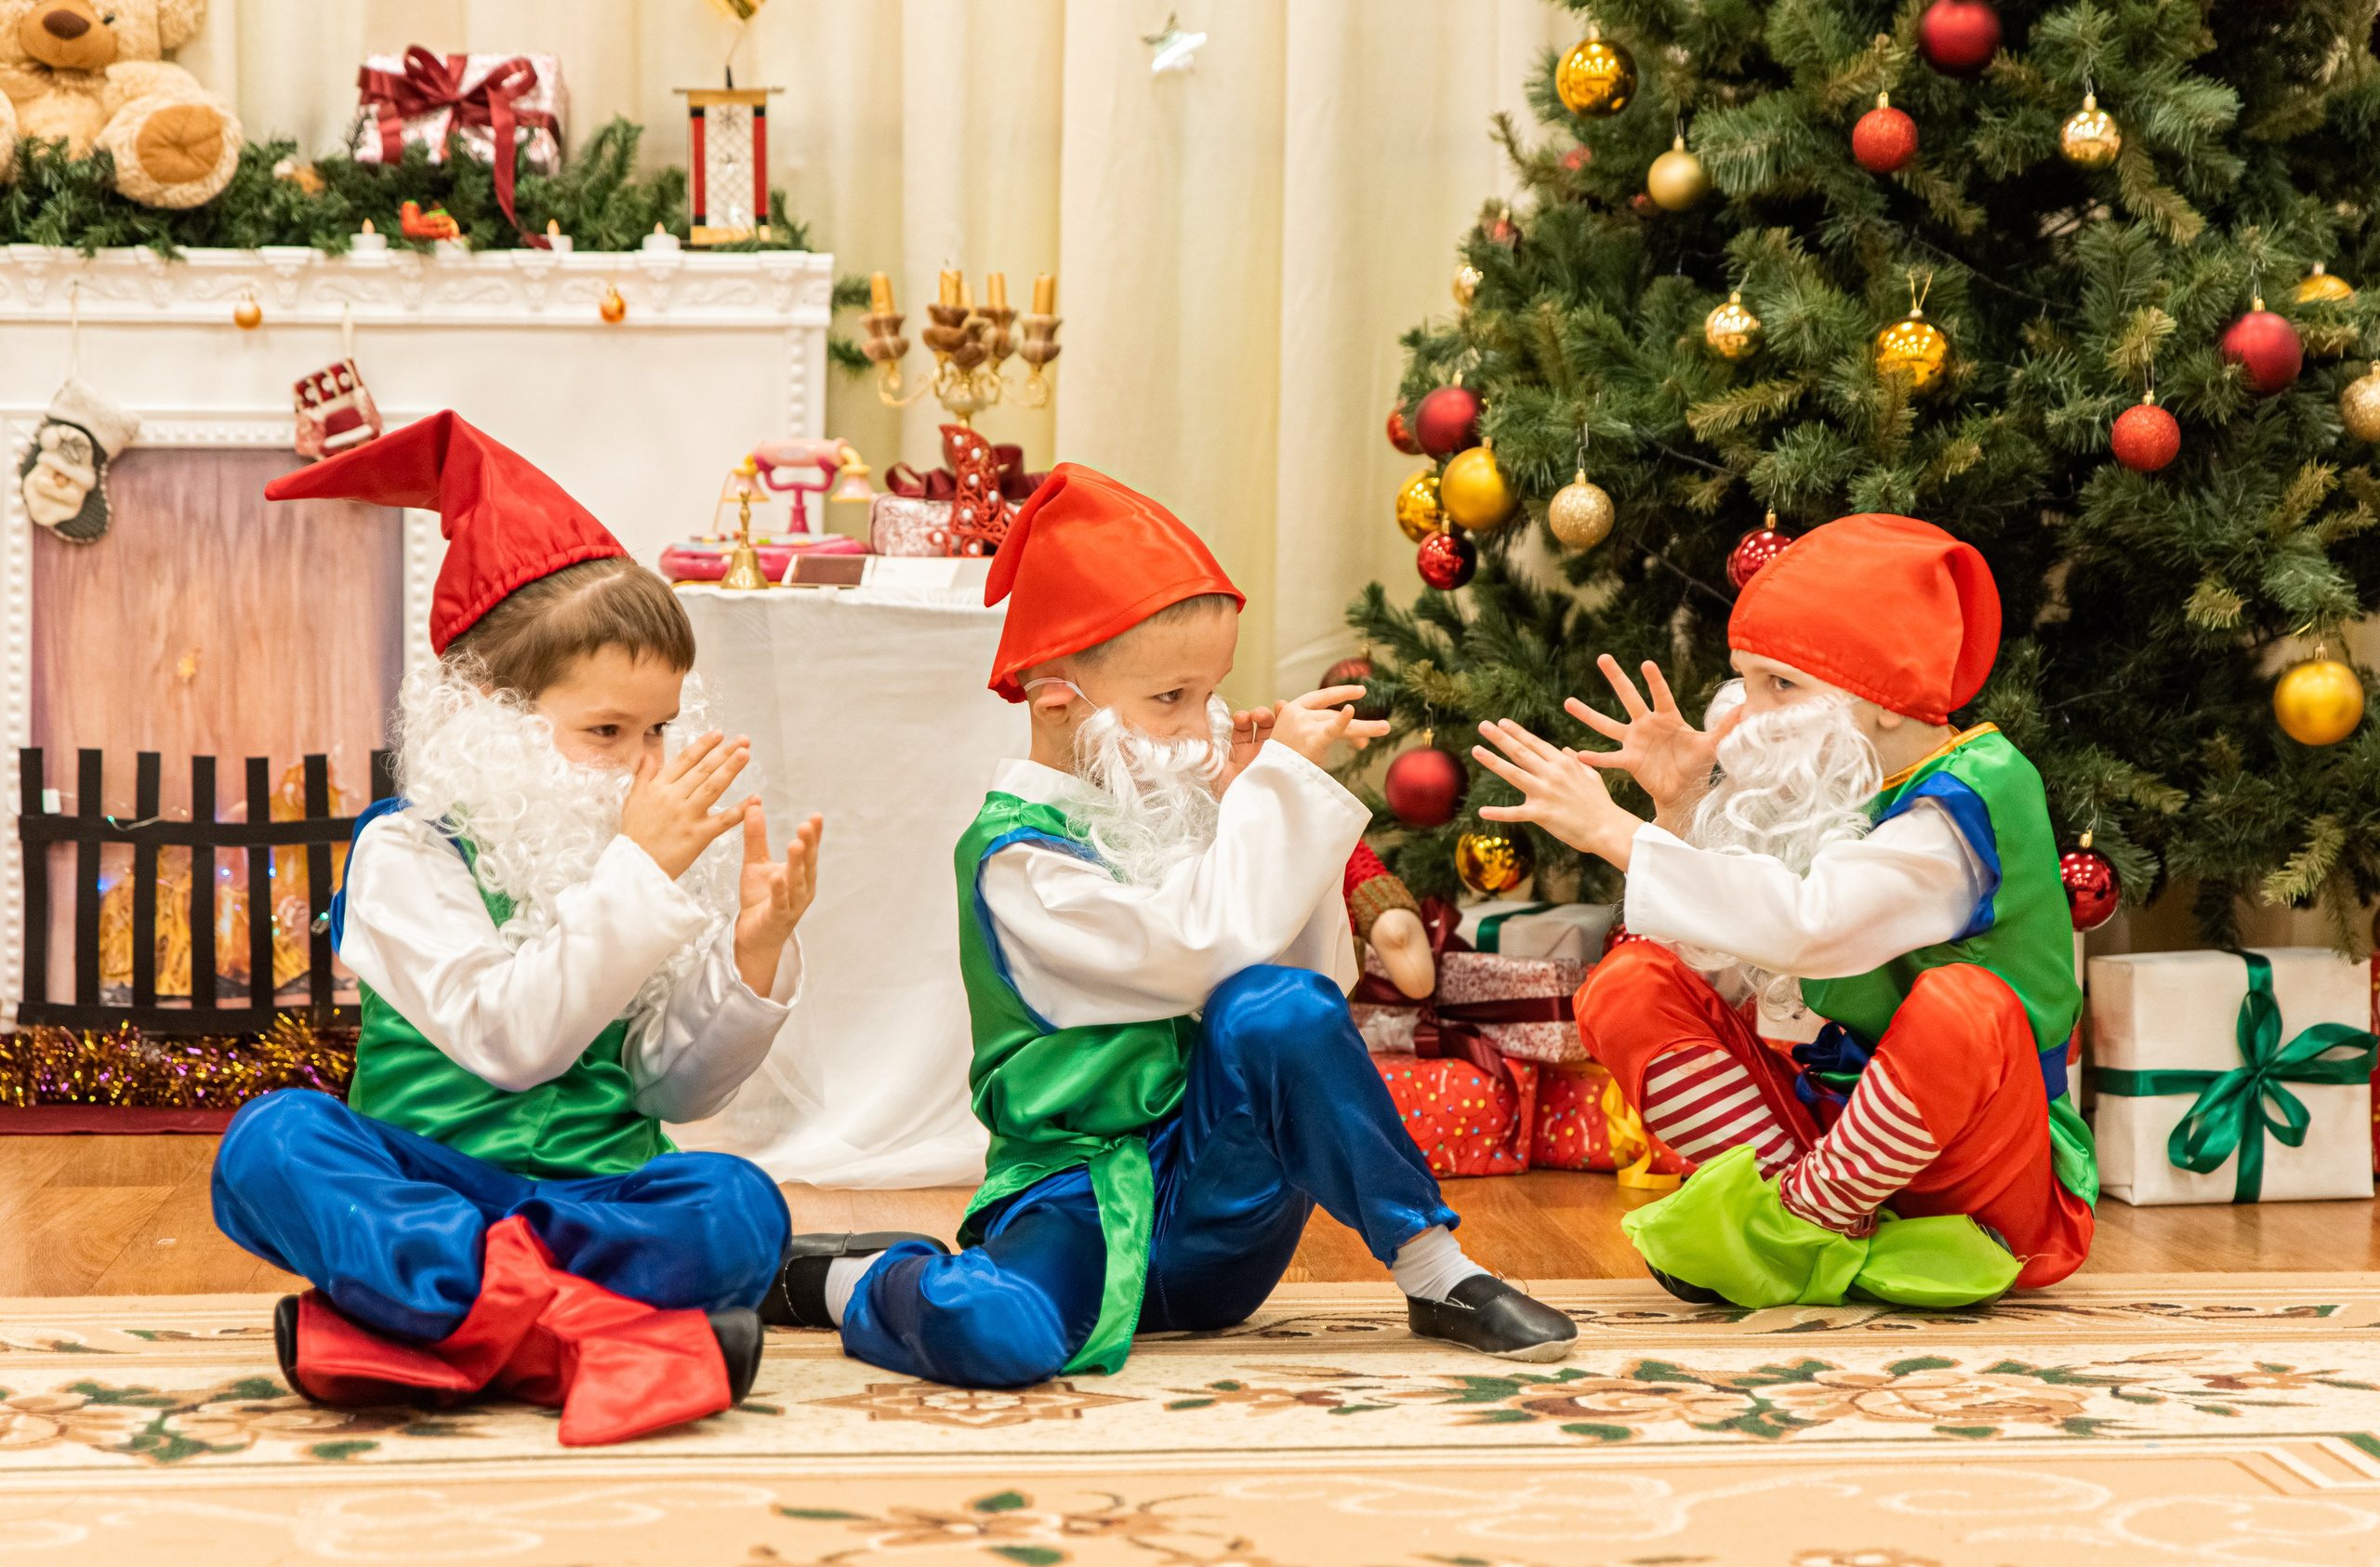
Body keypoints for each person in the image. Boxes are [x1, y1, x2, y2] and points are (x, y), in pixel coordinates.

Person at [763, 463, 1576, 1385]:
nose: (1201, 729)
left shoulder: (1168, 816)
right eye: (1169, 700)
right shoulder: (1015, 859)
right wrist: (1272, 796)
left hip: (1215, 1203)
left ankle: (1436, 1270)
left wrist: (1241, 803)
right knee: (994, 1334)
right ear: (1056, 700)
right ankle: (852, 1278)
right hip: (1075, 1200)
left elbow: (1309, 986)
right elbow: (1195, 945)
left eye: (1209, 693)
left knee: (1278, 1004)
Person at [209, 412, 823, 1446]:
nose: (643, 764)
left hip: (591, 1198)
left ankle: (434, 1326)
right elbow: (509, 1040)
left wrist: (750, 952)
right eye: (605, 732)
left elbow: (672, 1088)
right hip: (429, 1184)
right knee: (272, 1142)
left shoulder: (624, 857)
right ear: (492, 716)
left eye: (659, 729)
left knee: (737, 1204)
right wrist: (636, 871)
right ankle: (586, 1331)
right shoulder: (409, 856)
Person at [1472, 513, 2093, 1309]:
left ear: (1885, 701)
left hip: (1982, 1165)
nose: (1750, 715)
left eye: (1781, 685)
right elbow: (1713, 964)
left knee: (1965, 1006)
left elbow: (1812, 925)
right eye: (1745, 680)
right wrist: (1682, 808)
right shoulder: (1833, 783)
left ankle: (1792, 1224)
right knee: (1627, 984)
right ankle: (1819, 1212)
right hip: (1839, 1135)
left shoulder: (1969, 801)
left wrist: (1617, 834)